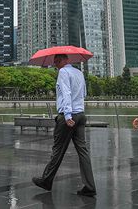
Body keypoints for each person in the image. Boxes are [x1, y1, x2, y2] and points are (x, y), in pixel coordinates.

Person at [32, 54, 97, 197]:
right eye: (55, 62)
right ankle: (90, 186)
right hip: (81, 114)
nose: (56, 64)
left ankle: (46, 180)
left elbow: (66, 93)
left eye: (57, 61)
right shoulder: (79, 72)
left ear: (65, 60)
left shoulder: (63, 72)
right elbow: (83, 93)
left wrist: (67, 115)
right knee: (83, 151)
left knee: (58, 149)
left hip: (69, 116)